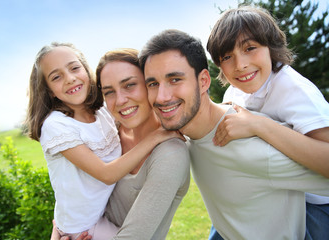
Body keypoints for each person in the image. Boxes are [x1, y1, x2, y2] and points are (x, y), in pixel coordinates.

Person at [139, 29, 329, 240]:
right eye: (153, 84)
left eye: (175, 79)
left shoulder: (253, 146)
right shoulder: (186, 131)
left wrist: (261, 126)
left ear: (203, 81)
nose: (162, 97)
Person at [26, 43, 182, 240]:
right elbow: (107, 175)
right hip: (81, 229)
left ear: (86, 70)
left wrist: (225, 108)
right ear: (49, 91)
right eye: (56, 77)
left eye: (74, 68)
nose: (70, 78)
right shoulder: (56, 126)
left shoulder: (102, 114)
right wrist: (157, 136)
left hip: (96, 219)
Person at [206, 6, 329, 240]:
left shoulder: (294, 90)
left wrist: (258, 125)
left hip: (316, 204)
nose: (240, 64)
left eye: (250, 48)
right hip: (266, 193)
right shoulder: (234, 93)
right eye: (227, 57)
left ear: (271, 48)